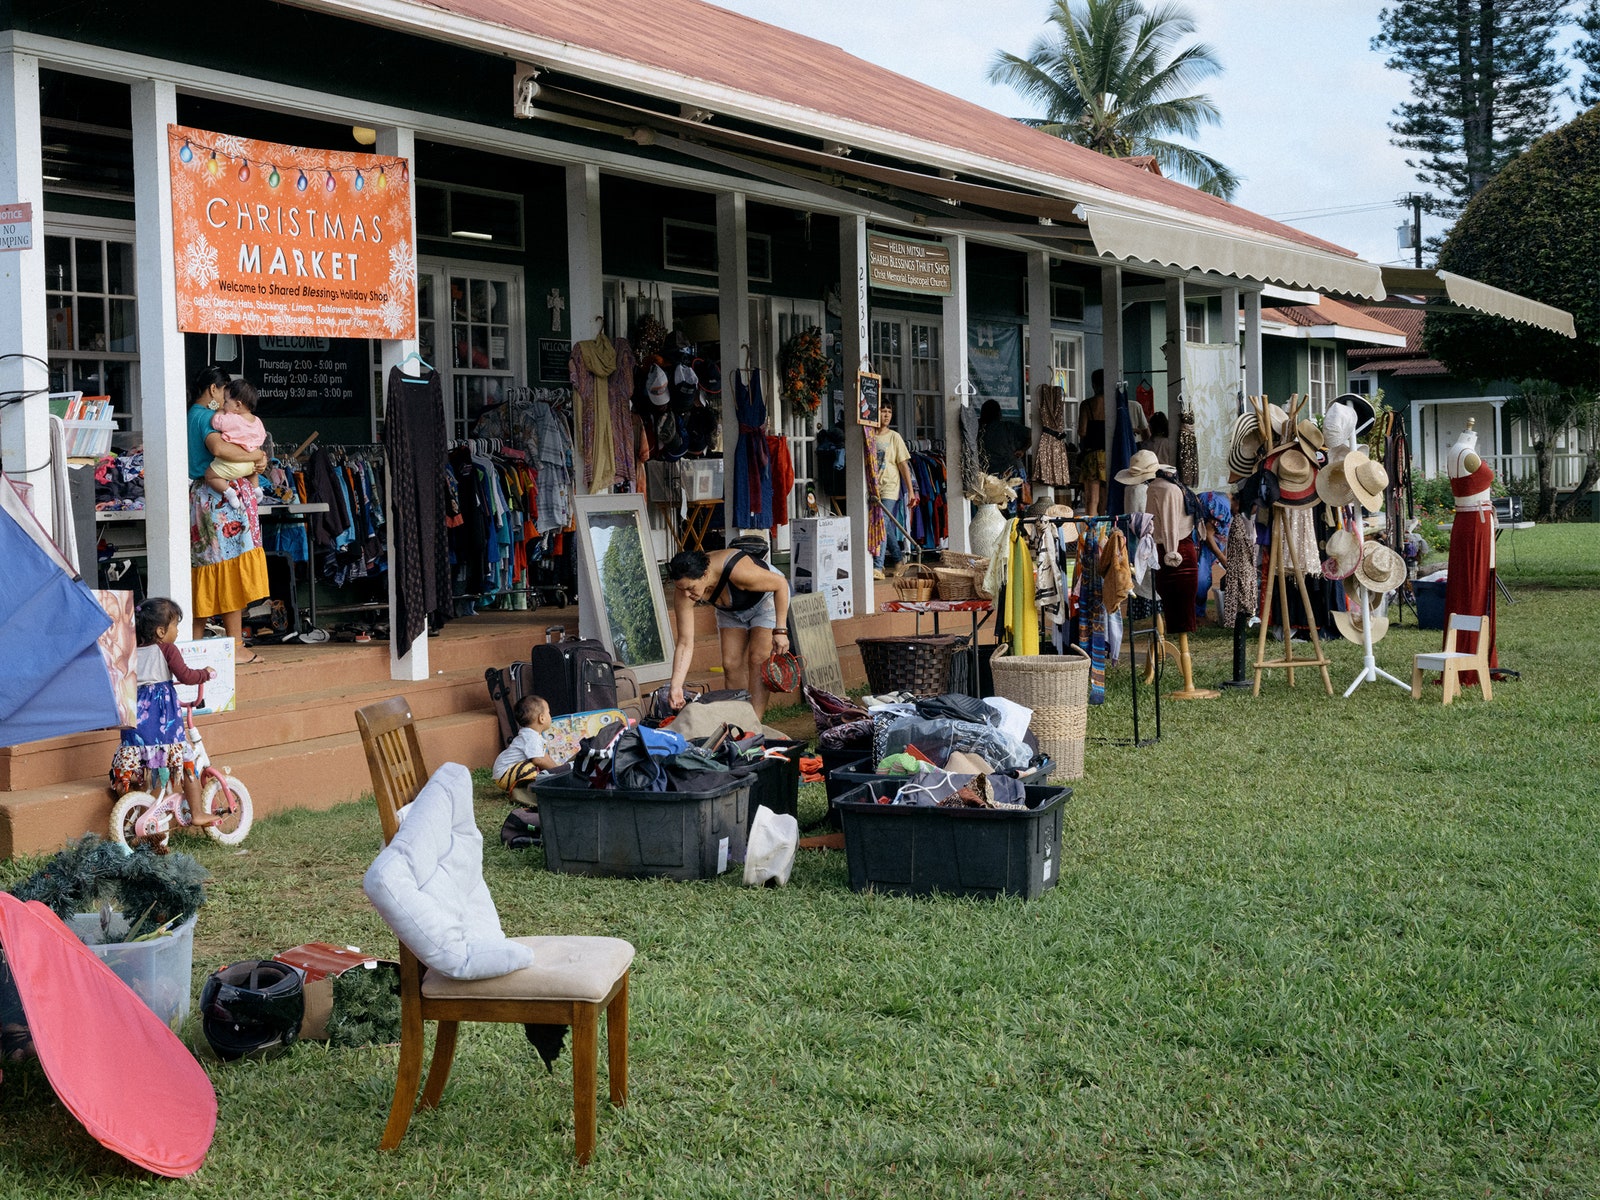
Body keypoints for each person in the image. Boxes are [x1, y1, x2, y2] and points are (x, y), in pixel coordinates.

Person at [187, 368, 270, 662]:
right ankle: (234, 647)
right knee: (226, 570)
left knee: (210, 570)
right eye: (225, 392)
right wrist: (257, 457)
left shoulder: (198, 416)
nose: (227, 401)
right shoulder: (203, 417)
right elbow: (222, 449)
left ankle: (194, 645)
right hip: (217, 500)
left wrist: (254, 463)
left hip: (215, 497)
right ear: (214, 389)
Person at [122, 597, 217, 827]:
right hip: (162, 720)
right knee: (187, 763)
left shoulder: (130, 650)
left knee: (134, 764)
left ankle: (129, 812)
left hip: (134, 718)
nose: (177, 631)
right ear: (161, 631)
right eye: (175, 625)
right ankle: (197, 814)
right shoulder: (167, 649)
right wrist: (205, 673)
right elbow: (185, 676)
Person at [666, 543, 790, 718]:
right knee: (731, 664)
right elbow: (685, 642)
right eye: (681, 589)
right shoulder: (684, 590)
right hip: (729, 608)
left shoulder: (739, 572)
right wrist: (676, 685)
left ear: (705, 575)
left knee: (757, 658)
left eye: (690, 588)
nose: (686, 594)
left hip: (766, 599)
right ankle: (741, 719)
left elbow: (781, 584)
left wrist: (781, 630)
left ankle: (754, 724)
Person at [203, 385, 267, 509]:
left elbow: (216, 422)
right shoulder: (257, 421)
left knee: (210, 475)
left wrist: (220, 411)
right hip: (251, 464)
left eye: (226, 401)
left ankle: (229, 492)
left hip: (232, 464)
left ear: (238, 405)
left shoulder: (232, 419)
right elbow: (262, 437)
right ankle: (257, 488)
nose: (223, 404)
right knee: (252, 472)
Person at [872, 401, 917, 577]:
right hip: (873, 487)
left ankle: (878, 565)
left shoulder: (894, 437)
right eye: (883, 411)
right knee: (886, 524)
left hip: (890, 486)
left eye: (889, 411)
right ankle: (899, 559)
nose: (886, 415)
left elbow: (903, 465)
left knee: (882, 521)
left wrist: (911, 491)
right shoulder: (870, 436)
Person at [493, 694, 561, 805]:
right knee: (532, 769)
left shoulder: (534, 735)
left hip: (510, 770)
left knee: (538, 769)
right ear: (542, 718)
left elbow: (544, 756)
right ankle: (525, 792)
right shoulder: (531, 737)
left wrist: (558, 770)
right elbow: (538, 760)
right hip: (504, 772)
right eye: (548, 712)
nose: (550, 716)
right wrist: (557, 772)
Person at [1077, 370, 1108, 517]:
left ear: (1094, 384)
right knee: (1104, 500)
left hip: (1092, 456)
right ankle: (1105, 533)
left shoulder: (1086, 404)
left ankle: (1091, 533)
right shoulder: (1112, 403)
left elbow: (1082, 431)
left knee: (1092, 500)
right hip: (1108, 455)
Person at [978, 399, 1031, 480]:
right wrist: (1022, 450)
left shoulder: (979, 429)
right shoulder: (1009, 426)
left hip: (992, 474)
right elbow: (1031, 434)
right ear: (999, 413)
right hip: (1013, 472)